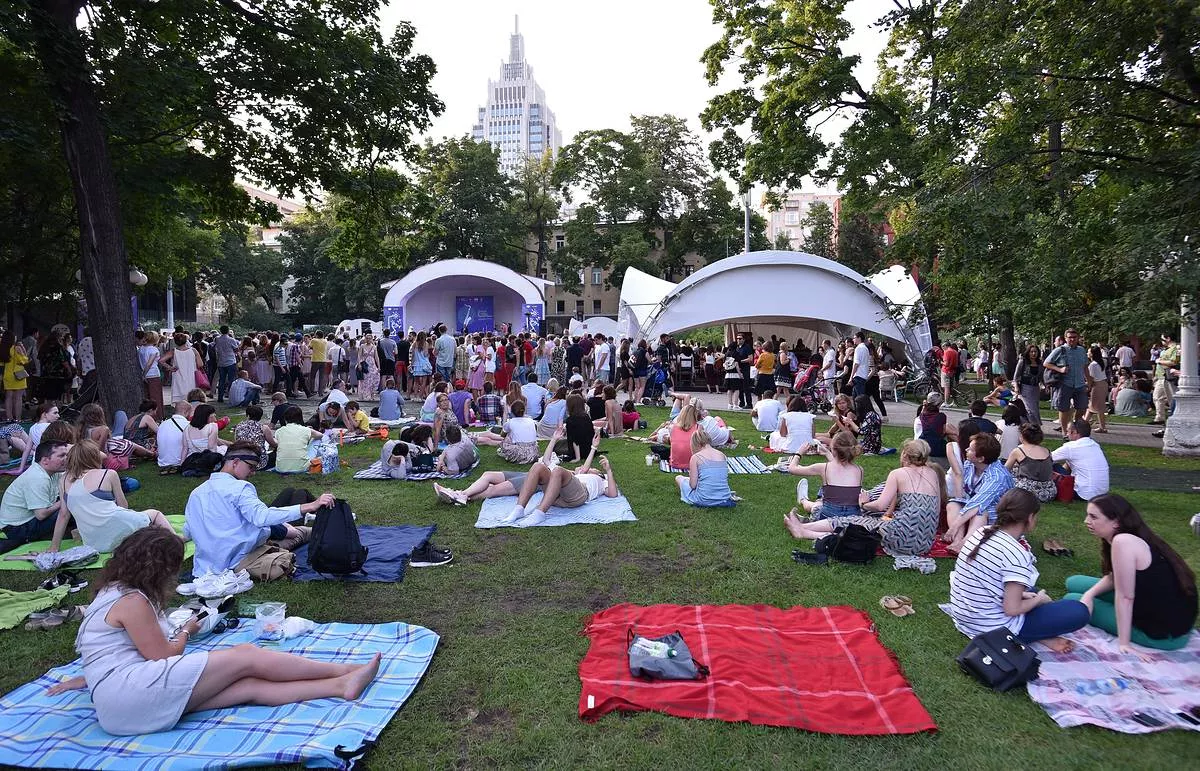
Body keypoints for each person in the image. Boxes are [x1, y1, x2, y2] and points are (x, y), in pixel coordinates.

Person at [42, 528, 380, 735]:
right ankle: (346, 669)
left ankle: (340, 685)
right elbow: (164, 655)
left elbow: (104, 650)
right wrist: (187, 629)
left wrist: (88, 676)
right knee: (246, 656)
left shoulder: (110, 590)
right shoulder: (133, 601)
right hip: (131, 696)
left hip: (116, 711)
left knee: (247, 687)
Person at [948, 489, 1088, 652]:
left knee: (1030, 590)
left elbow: (986, 581)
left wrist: (1025, 596)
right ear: (1030, 518)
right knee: (1078, 611)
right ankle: (1035, 636)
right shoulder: (1016, 553)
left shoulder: (980, 532)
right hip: (993, 629)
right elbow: (1012, 609)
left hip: (966, 618)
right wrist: (1039, 600)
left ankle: (1041, 635)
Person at [1066, 494, 1197, 651]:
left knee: (1072, 599)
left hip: (1166, 634)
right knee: (1073, 582)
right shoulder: (1132, 535)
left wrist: (1124, 643)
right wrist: (1090, 594)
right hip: (1167, 610)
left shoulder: (1123, 541)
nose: (1086, 521)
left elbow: (1126, 597)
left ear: (1116, 521)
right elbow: (1116, 577)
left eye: (1093, 517)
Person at [185, 442, 328, 575]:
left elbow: (189, 530)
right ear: (235, 463)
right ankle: (334, 533)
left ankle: (328, 532)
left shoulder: (196, 493)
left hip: (207, 566)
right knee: (300, 534)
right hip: (243, 557)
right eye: (251, 467)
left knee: (297, 531)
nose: (253, 473)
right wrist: (310, 506)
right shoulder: (239, 488)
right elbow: (261, 517)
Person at [50, 440, 173, 553]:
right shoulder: (108, 474)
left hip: (94, 543)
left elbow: (63, 515)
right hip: (120, 533)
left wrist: (54, 547)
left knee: (141, 524)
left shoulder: (64, 479)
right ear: (95, 456)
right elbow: (123, 506)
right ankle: (177, 539)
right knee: (155, 514)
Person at [498, 431, 617, 527]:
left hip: (578, 496)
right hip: (556, 496)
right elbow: (546, 461)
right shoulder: (571, 474)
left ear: (599, 473)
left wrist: (608, 471)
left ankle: (539, 513)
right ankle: (519, 509)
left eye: (593, 469)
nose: (588, 468)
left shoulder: (601, 480)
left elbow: (612, 494)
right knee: (538, 466)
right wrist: (554, 439)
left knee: (558, 470)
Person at [945, 433, 1015, 553]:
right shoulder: (970, 464)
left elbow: (978, 503)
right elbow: (968, 494)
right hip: (976, 505)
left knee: (980, 511)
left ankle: (965, 543)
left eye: (970, 449)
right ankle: (957, 540)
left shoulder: (997, 476)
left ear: (980, 458)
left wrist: (954, 526)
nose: (966, 450)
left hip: (999, 512)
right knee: (953, 504)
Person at [0, 442, 68, 548]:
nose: (66, 458)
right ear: (45, 461)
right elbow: (41, 515)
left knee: (72, 504)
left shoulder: (52, 472)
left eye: (67, 455)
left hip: (26, 521)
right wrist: (65, 499)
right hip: (17, 529)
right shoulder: (37, 478)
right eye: (61, 456)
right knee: (69, 508)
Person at [786, 431, 863, 522]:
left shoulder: (824, 468)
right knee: (825, 501)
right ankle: (809, 502)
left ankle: (803, 500)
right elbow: (840, 468)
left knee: (816, 506)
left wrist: (799, 453)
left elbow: (792, 469)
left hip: (828, 517)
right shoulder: (859, 470)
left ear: (834, 450)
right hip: (853, 518)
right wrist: (827, 453)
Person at [1042, 328, 1089, 434]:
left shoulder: (1081, 350)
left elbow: (1085, 366)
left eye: (1074, 337)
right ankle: (1064, 432)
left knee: (1082, 408)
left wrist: (1089, 381)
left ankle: (1076, 429)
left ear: (1078, 338)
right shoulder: (1060, 350)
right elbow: (1046, 363)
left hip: (1080, 384)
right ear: (1066, 338)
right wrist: (1060, 369)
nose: (1072, 339)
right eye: (1070, 337)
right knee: (1064, 409)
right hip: (1065, 384)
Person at [1051, 419, 1110, 501]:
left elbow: (1045, 458)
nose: (1066, 434)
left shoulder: (1071, 447)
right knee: (1070, 462)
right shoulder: (1094, 445)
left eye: (1068, 431)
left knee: (1052, 466)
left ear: (1074, 432)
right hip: (1102, 493)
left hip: (1083, 494)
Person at [676, 428, 734, 507]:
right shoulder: (722, 455)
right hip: (724, 497)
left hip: (704, 499)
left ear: (695, 443)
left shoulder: (696, 457)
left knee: (679, 478)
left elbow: (693, 485)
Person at [471, 398, 540, 464]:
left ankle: (504, 452)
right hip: (533, 453)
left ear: (512, 412)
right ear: (524, 410)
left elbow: (502, 436)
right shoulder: (531, 421)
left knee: (506, 439)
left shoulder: (510, 423)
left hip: (519, 454)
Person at [1004, 423, 1056, 502]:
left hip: (1027, 492)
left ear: (1022, 436)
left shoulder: (1018, 450)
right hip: (1049, 491)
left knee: (1010, 474)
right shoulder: (1047, 451)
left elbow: (1005, 471)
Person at [273, 406, 324, 474]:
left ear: (285, 418)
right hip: (301, 468)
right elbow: (320, 435)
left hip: (280, 468)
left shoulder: (279, 431)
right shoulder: (306, 430)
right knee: (317, 440)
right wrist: (310, 431)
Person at [160, 332, 204, 404]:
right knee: (191, 397)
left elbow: (161, 361)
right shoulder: (193, 350)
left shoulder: (174, 351)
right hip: (191, 376)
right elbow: (200, 364)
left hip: (178, 377)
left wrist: (170, 368)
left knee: (179, 399)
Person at [233, 404, 276, 470]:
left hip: (242, 459)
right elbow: (273, 444)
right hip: (259, 462)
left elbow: (236, 441)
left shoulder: (239, 426)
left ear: (248, 415)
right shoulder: (264, 428)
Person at [1150, 333, 1179, 426]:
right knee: (1157, 397)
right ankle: (1160, 417)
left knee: (1172, 399)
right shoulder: (1166, 349)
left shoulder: (1175, 348)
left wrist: (1159, 361)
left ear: (1168, 339)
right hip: (1161, 377)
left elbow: (1173, 362)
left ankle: (1174, 418)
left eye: (1163, 339)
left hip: (1168, 377)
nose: (1162, 342)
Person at [156, 402, 192, 475]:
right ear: (186, 412)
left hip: (162, 462)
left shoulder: (162, 424)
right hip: (179, 461)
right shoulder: (188, 425)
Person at [1, 331, 31, 420]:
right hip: (18, 375)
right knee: (18, 398)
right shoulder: (16, 348)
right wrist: (22, 348)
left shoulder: (2, 348)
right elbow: (24, 360)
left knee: (8, 397)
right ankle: (18, 418)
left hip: (7, 374)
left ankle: (9, 418)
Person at [562, 393, 595, 462]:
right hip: (589, 450)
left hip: (578, 452)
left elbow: (574, 440)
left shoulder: (570, 420)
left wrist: (577, 458)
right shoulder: (586, 417)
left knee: (557, 447)